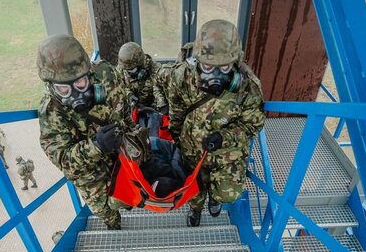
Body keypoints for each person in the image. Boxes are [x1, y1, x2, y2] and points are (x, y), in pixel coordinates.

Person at [37, 34, 143, 230]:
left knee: (130, 195)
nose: (75, 94)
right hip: (92, 177)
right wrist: (96, 146)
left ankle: (128, 203)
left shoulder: (106, 74)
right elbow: (64, 162)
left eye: (80, 84)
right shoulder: (51, 112)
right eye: (64, 89)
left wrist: (132, 127)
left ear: (88, 73)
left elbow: (122, 101)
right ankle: (115, 227)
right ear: (51, 85)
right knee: (106, 210)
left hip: (121, 156)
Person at [167, 20, 264, 227]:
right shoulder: (181, 77)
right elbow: (176, 112)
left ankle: (216, 199)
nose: (215, 75)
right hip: (192, 147)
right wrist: (176, 139)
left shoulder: (248, 87)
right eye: (208, 67)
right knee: (193, 187)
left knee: (228, 193)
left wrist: (225, 137)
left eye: (225, 67)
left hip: (227, 152)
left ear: (235, 63)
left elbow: (252, 125)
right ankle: (196, 208)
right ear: (197, 60)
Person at [116, 42, 161, 110]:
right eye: (127, 70)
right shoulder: (123, 66)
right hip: (132, 107)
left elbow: (159, 92)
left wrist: (152, 110)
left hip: (152, 108)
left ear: (141, 64)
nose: (129, 73)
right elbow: (118, 84)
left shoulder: (155, 69)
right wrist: (129, 94)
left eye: (132, 70)